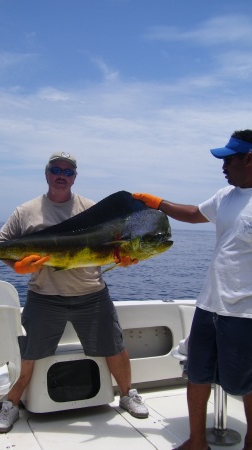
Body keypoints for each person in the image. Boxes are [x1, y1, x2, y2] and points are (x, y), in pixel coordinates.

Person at [0, 151, 149, 433]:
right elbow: (0, 245)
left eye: (68, 172)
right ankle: (10, 405)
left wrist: (124, 258)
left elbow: (116, 247)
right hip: (44, 296)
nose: (61, 176)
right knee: (28, 353)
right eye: (56, 170)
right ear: (46, 173)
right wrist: (18, 267)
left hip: (92, 294)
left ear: (74, 177)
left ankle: (127, 394)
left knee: (114, 347)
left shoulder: (91, 210)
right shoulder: (25, 211)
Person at [133, 129, 252, 450]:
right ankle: (196, 441)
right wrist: (159, 203)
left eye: (228, 160)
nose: (223, 166)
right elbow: (195, 214)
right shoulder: (227, 195)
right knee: (196, 373)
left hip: (244, 313)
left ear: (249, 159)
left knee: (247, 383)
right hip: (209, 305)